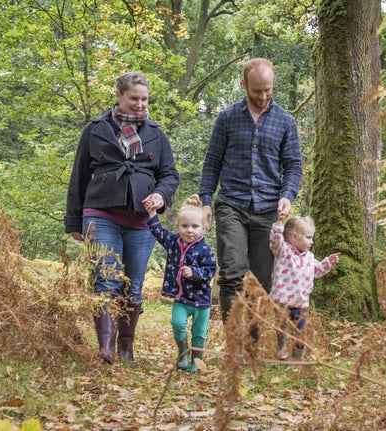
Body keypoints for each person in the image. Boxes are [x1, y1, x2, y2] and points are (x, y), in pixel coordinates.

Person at [65, 71, 179, 365]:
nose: (140, 105)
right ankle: (106, 348)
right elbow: (79, 176)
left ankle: (126, 348)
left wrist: (161, 196)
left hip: (142, 220)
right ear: (118, 96)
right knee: (105, 280)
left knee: (133, 286)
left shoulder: (156, 133)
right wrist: (73, 221)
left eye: (144, 99)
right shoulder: (96, 129)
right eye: (133, 99)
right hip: (100, 213)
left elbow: (169, 175)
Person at [198, 57, 303, 325]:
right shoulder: (227, 118)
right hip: (232, 204)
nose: (263, 96)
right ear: (244, 85)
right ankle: (235, 344)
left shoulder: (285, 122)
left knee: (261, 279)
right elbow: (212, 162)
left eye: (268, 89)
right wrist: (206, 200)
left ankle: (252, 344)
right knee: (232, 272)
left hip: (268, 210)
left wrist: (287, 195)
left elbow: (293, 166)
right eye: (257, 90)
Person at [146, 194, 216, 373]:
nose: (189, 230)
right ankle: (183, 352)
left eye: (195, 226)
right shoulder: (173, 243)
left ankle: (197, 360)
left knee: (199, 334)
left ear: (204, 227)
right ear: (178, 227)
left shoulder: (205, 250)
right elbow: (158, 232)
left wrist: (195, 272)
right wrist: (152, 212)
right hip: (181, 298)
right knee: (177, 324)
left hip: (201, 301)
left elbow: (210, 270)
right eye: (184, 226)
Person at [269, 215, 339, 360]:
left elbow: (318, 271)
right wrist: (279, 223)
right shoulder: (283, 251)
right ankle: (281, 345)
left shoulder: (309, 257)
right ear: (294, 237)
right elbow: (275, 241)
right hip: (282, 300)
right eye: (308, 237)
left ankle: (297, 359)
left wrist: (329, 262)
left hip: (300, 303)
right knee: (282, 326)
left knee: (300, 331)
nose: (311, 241)